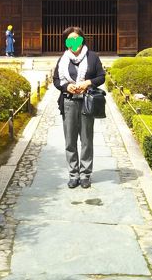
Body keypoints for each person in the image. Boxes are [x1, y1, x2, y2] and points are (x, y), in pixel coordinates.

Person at [53, 26, 105, 189]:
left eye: (76, 39)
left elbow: (101, 76)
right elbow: (56, 80)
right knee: (70, 140)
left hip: (86, 102)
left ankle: (85, 174)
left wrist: (87, 83)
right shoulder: (62, 59)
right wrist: (66, 86)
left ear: (82, 40)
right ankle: (73, 174)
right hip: (68, 102)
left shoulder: (92, 57)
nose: (73, 43)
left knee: (86, 139)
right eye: (70, 40)